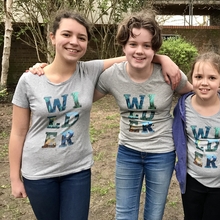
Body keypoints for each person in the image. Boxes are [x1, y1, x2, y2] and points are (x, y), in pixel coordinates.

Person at [8, 9, 183, 220]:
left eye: (81, 37)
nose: (74, 42)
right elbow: (18, 132)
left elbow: (134, 56)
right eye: (66, 34)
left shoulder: (88, 71)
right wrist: (14, 178)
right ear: (52, 37)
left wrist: (162, 58)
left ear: (86, 44)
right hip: (39, 172)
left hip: (78, 170)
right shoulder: (30, 80)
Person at [93, 10, 220, 220]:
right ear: (123, 45)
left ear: (154, 48)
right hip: (128, 152)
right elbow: (81, 96)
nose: (139, 51)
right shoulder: (111, 76)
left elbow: (197, 90)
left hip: (161, 154)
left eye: (147, 45)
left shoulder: (169, 75)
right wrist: (51, 70)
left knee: (154, 214)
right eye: (133, 44)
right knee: (124, 213)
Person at [172, 52, 220, 219]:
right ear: (192, 78)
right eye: (198, 76)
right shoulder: (183, 106)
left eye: (212, 78)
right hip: (192, 180)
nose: (204, 83)